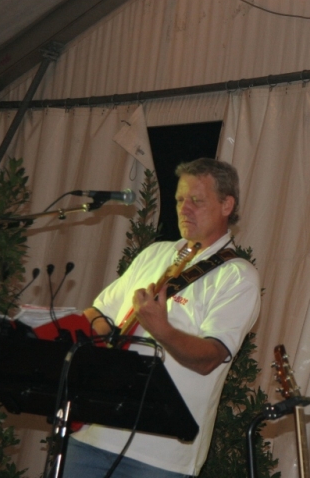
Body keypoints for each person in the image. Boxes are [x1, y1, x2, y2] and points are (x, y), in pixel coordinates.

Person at [64, 158, 261, 478]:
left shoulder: (238, 276)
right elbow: (96, 312)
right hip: (93, 434)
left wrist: (161, 329)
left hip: (162, 456)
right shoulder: (155, 253)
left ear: (227, 205)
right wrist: (106, 337)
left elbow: (210, 358)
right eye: (180, 200)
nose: (184, 209)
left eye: (196, 200)